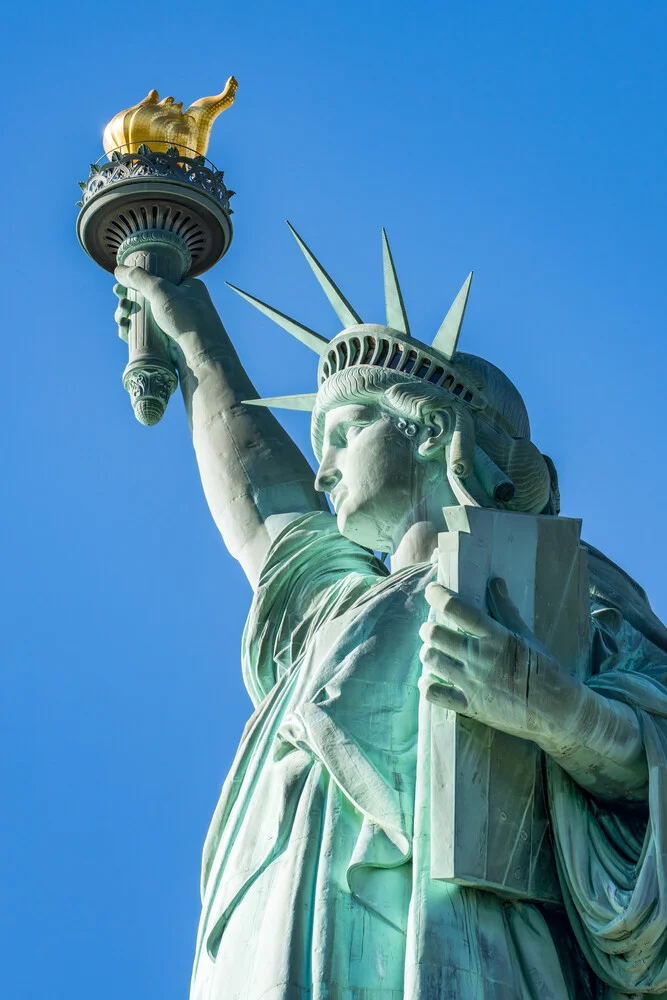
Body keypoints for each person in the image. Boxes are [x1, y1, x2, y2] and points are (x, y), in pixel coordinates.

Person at [114, 229, 667, 1000]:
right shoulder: (339, 609)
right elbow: (268, 508)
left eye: (344, 432)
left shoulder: (553, 584)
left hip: (467, 942)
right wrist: (187, 323)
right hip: (271, 941)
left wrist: (556, 710)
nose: (325, 467)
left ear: (431, 428)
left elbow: (657, 748)